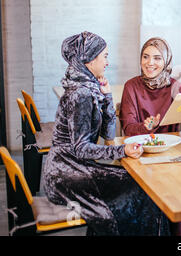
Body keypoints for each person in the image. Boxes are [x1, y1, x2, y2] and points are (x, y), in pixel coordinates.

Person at [43, 31, 171, 236]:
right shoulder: (81, 94)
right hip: (66, 173)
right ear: (91, 59)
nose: (107, 62)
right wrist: (123, 151)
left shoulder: (89, 86)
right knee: (144, 190)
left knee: (139, 187)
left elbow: (108, 134)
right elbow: (82, 149)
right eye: (105, 56)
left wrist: (107, 96)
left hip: (75, 167)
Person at [119, 37, 181, 235]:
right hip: (141, 157)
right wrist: (145, 126)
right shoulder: (131, 87)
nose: (150, 63)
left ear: (166, 61)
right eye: (146, 57)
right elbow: (128, 129)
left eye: (157, 58)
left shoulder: (176, 87)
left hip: (172, 156)